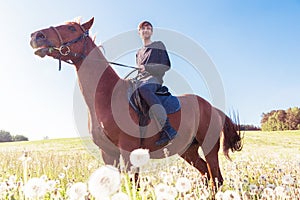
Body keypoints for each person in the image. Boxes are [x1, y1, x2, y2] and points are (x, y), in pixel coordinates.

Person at [136, 20, 177, 146]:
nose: (146, 30)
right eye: (143, 28)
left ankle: (168, 128)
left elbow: (166, 65)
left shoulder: (158, 45)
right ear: (139, 32)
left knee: (144, 90)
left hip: (154, 80)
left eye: (148, 28)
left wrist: (147, 68)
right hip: (140, 80)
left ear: (152, 32)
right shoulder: (138, 53)